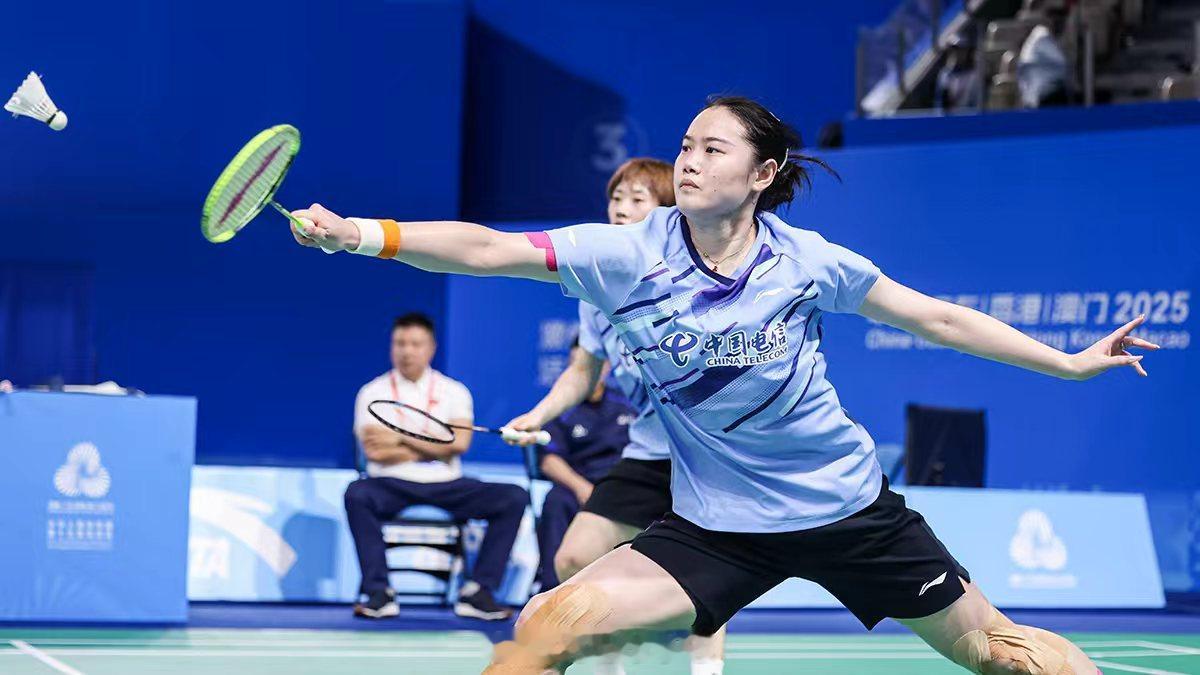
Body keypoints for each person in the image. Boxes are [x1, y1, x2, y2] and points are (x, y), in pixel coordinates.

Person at [291, 95, 1154, 675]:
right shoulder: (626, 255)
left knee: (1004, 654)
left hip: (849, 510)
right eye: (684, 146)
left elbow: (939, 319)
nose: (690, 161)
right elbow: (490, 248)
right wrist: (361, 233)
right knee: (543, 624)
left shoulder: (808, 263)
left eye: (713, 148)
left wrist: (1068, 361)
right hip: (717, 526)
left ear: (763, 173)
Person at [505, 157, 729, 675]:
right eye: (616, 198)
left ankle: (706, 671)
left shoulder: (695, 281)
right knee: (574, 557)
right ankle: (610, 669)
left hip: (707, 456)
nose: (621, 209)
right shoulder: (597, 286)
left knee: (709, 573)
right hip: (649, 450)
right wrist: (536, 415)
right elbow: (583, 371)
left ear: (667, 212)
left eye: (637, 199)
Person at [345, 313, 526, 621]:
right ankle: (378, 592)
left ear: (431, 348)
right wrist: (434, 446)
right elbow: (375, 451)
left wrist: (399, 437)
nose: (407, 351)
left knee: (513, 497)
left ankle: (478, 592)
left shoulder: (453, 391)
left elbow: (459, 444)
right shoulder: (372, 392)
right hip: (391, 483)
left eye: (415, 344)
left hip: (447, 483)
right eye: (400, 343)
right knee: (356, 494)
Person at [534, 348, 631, 591]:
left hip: (621, 485)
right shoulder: (561, 409)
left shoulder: (627, 404)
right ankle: (552, 589)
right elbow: (549, 461)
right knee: (556, 501)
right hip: (578, 483)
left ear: (606, 366)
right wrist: (581, 487)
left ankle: (631, 591)